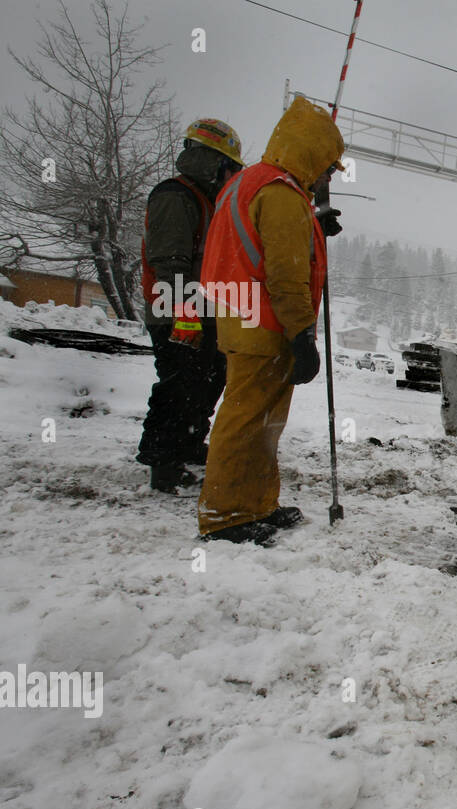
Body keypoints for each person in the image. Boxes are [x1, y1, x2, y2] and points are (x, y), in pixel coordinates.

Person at [196, 96, 345, 545]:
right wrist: (302, 334)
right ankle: (226, 516)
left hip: (244, 319)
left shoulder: (250, 182)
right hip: (266, 325)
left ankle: (255, 505)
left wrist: (315, 223)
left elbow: (258, 249)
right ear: (310, 153)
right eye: (327, 167)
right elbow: (285, 273)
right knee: (246, 422)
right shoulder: (280, 193)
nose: (326, 177)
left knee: (260, 422)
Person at [136, 119, 244, 493]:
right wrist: (186, 317)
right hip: (177, 312)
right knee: (179, 384)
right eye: (228, 166)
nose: (231, 174)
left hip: (202, 311)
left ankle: (188, 442)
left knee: (206, 381)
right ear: (211, 161)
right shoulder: (175, 196)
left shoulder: (208, 200)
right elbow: (170, 263)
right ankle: (163, 461)